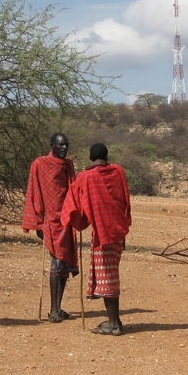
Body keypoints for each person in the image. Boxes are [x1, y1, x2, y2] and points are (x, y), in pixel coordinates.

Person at [61, 143, 132, 336]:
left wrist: (74, 219)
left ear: (91, 159)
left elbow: (74, 202)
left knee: (107, 277)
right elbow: (125, 200)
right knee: (112, 274)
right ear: (106, 157)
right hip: (118, 231)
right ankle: (115, 319)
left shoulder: (86, 176)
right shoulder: (118, 171)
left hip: (102, 232)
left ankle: (113, 324)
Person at [22, 133, 78, 323]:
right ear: (52, 145)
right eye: (61, 145)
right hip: (51, 221)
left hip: (66, 219)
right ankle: (53, 310)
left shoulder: (68, 165)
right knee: (56, 263)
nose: (64, 148)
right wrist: (38, 222)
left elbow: (74, 190)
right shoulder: (40, 164)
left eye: (66, 145)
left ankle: (58, 307)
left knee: (63, 263)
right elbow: (34, 191)